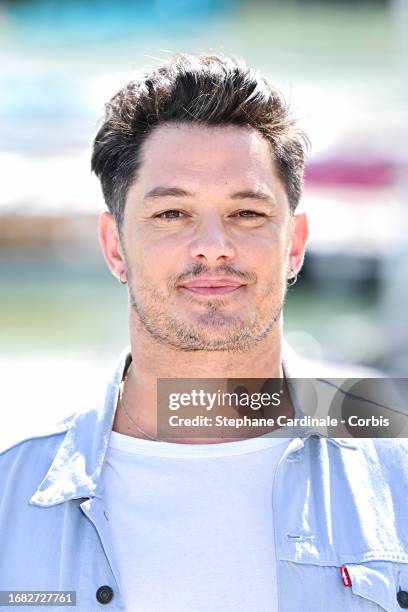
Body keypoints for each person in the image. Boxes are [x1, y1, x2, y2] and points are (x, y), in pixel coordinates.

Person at [1, 53, 407, 612]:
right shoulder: (10, 487)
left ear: (295, 243)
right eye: (172, 213)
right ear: (115, 246)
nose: (213, 245)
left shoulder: (397, 457)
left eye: (247, 213)